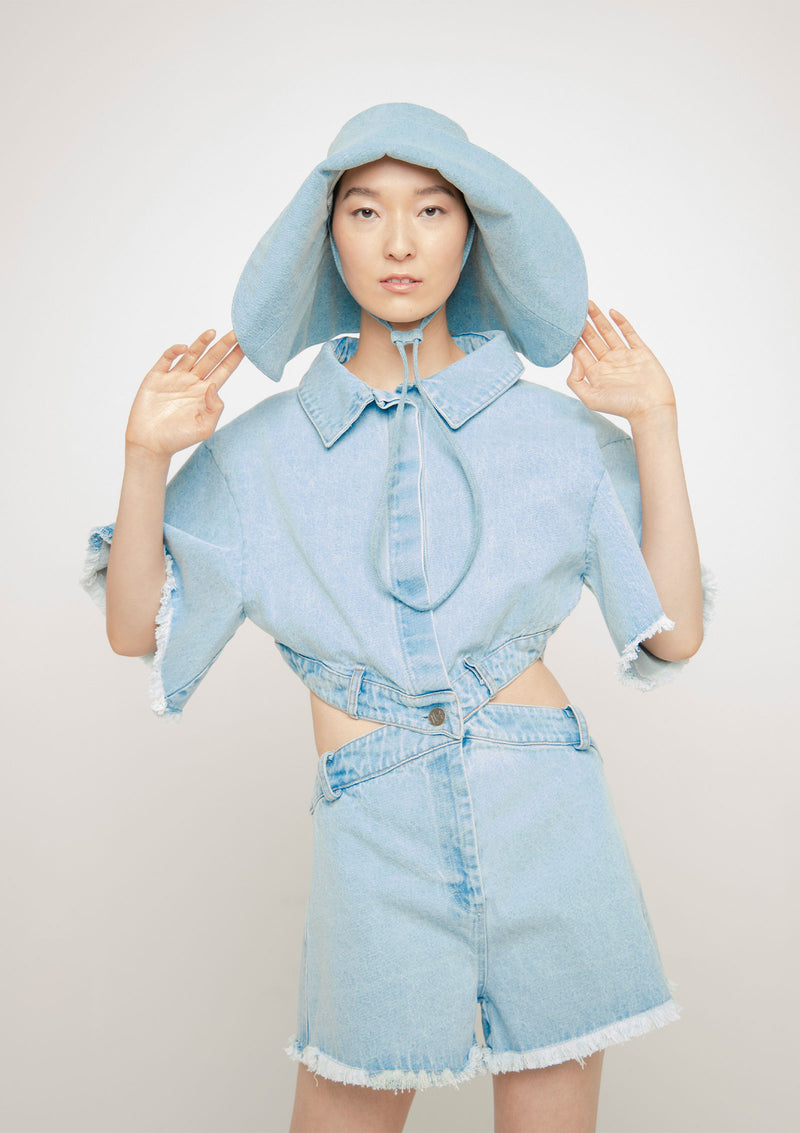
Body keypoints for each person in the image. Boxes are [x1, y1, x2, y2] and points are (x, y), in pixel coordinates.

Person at [82, 103, 713, 1133]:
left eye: (431, 209)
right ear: (327, 238)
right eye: (365, 210)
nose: (400, 242)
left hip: (543, 801)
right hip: (374, 819)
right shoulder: (263, 450)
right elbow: (134, 630)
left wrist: (655, 423)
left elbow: (673, 632)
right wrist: (146, 458)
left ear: (473, 234)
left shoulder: (552, 432)